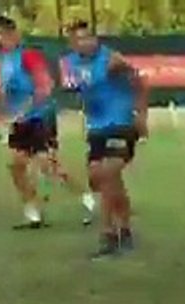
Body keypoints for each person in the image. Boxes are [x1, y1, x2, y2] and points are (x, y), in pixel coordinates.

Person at [0, 15, 95, 229]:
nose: (0, 38)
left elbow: (44, 86)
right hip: (22, 120)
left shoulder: (28, 56)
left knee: (48, 166)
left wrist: (23, 111)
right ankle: (33, 212)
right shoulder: (5, 60)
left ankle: (87, 198)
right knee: (16, 165)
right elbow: (6, 91)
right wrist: (2, 113)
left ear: (14, 34)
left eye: (3, 33)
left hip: (40, 117)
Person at [63, 21, 148, 259]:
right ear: (72, 43)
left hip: (121, 124)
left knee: (108, 174)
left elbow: (140, 83)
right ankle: (126, 229)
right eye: (79, 39)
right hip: (97, 128)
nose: (86, 42)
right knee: (102, 180)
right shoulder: (71, 63)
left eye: (89, 37)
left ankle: (108, 235)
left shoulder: (112, 61)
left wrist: (141, 116)